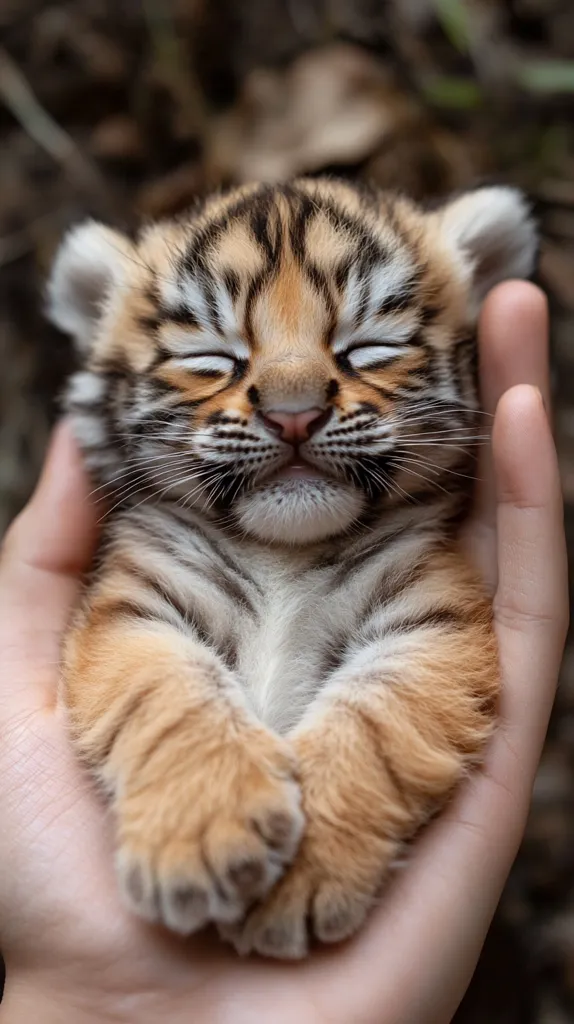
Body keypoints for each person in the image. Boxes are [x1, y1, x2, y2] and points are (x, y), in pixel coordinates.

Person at [0, 281, 567, 1024]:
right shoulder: (155, 536)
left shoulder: (423, 548)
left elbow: (439, 652)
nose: (292, 398)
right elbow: (126, 642)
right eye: (208, 361)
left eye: (372, 350)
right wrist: (183, 758)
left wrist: (346, 810)